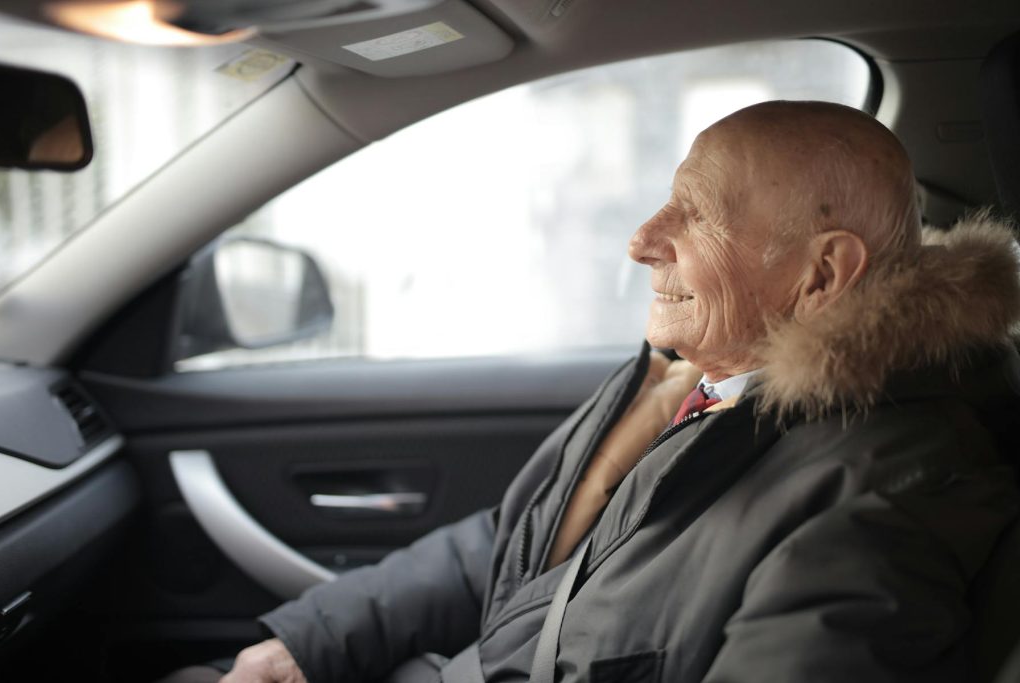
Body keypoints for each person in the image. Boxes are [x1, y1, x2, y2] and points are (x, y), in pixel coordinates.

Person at [177, 100, 1020, 683]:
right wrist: (306, 645)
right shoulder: (694, 377)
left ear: (822, 273)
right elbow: (518, 544)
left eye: (698, 213)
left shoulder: (896, 486)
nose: (643, 238)